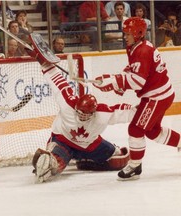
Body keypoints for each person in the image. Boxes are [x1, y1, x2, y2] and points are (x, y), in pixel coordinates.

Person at [24, 34, 135, 183]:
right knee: (54, 163)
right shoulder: (68, 102)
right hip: (63, 141)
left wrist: (145, 111)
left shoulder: (102, 113)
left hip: (90, 145)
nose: (81, 116)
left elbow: (125, 112)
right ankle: (48, 160)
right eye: (79, 113)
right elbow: (56, 78)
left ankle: (85, 161)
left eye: (85, 115)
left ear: (93, 113)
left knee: (121, 158)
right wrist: (42, 61)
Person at [93, 17, 181, 181]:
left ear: (138, 33)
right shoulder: (136, 47)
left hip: (156, 97)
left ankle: (135, 166)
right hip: (160, 94)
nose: (125, 36)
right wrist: (116, 82)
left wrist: (114, 81)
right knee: (153, 132)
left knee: (136, 130)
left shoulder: (142, 51)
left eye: (128, 33)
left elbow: (137, 81)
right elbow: (134, 71)